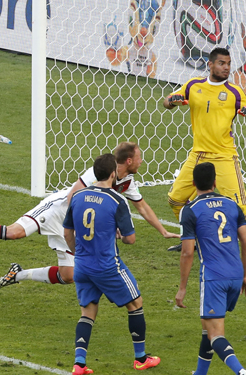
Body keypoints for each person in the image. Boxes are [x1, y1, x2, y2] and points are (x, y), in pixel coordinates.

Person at [0, 142, 177, 289]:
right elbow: (74, 195)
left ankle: (18, 274)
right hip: (59, 210)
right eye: (139, 157)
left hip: (74, 225)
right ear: (129, 160)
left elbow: (142, 207)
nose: (142, 161)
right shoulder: (99, 172)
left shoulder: (126, 181)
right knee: (15, 233)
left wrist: (162, 231)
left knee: (69, 275)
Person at [163, 47, 246, 268]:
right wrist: (172, 100)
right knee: (175, 200)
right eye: (221, 63)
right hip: (198, 155)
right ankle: (191, 238)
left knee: (241, 206)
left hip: (224, 157)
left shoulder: (235, 93)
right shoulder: (193, 86)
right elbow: (168, 102)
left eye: (228, 63)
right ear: (210, 65)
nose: (226, 67)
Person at [64, 154, 160, 374]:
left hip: (82, 265)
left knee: (87, 312)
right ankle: (141, 358)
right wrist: (117, 234)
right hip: (107, 266)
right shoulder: (117, 201)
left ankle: (79, 364)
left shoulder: (78, 196)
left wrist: (77, 251)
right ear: (113, 174)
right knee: (135, 303)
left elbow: (67, 231)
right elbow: (130, 239)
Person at [176, 162, 246, 375]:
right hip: (236, 275)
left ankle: (241, 371)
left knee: (215, 334)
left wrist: (182, 288)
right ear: (215, 182)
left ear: (193, 183)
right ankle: (200, 373)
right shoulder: (231, 204)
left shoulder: (189, 210)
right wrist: (245, 275)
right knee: (207, 325)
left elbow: (187, 252)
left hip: (213, 277)